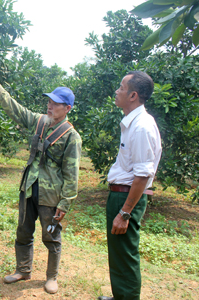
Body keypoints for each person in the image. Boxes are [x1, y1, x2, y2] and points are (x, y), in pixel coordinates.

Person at [0, 69, 82, 294]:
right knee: (23, 231)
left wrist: (65, 203)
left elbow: (72, 174)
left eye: (56, 103)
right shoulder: (40, 122)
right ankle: (23, 270)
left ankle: (51, 277)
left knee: (51, 235)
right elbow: (17, 111)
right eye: (49, 101)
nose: (50, 106)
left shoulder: (70, 136)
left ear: (67, 108)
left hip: (51, 196)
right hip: (29, 188)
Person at [98, 71, 162, 300]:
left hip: (127, 197)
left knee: (125, 254)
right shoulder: (132, 123)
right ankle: (120, 296)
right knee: (118, 253)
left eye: (122, 88)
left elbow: (142, 176)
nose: (117, 91)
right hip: (121, 194)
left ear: (133, 95)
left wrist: (125, 213)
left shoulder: (142, 127)